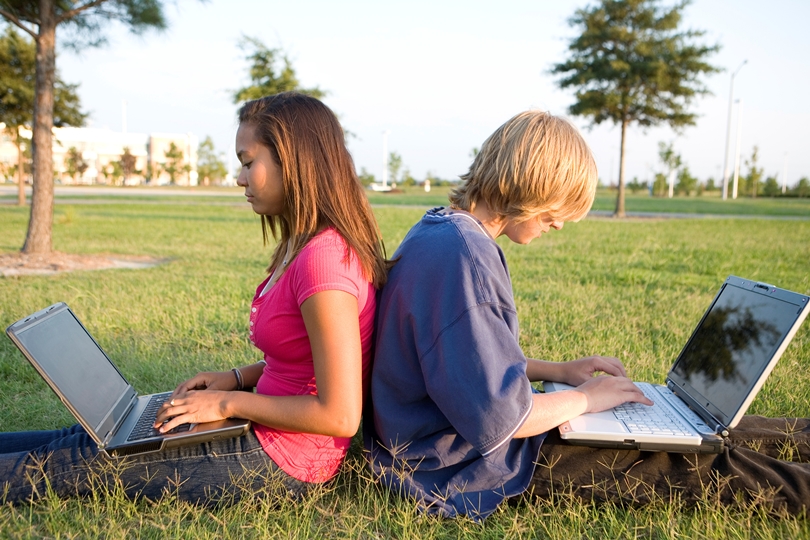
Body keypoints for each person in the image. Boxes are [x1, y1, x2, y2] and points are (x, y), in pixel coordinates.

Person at [364, 110, 810, 521]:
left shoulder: (438, 233)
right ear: (529, 185)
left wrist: (558, 371)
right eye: (556, 208)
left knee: (717, 431)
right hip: (459, 462)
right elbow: (503, 420)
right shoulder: (466, 257)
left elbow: (459, 359)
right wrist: (588, 400)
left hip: (430, 443)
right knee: (696, 458)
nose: (558, 224)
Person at [1, 92, 389, 505]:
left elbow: (340, 415)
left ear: (292, 161)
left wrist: (225, 402)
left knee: (61, 464)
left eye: (247, 162)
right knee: (76, 440)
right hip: (258, 428)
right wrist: (237, 378)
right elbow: (304, 356)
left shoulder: (324, 261)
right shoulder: (303, 244)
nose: (240, 178)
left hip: (283, 459)